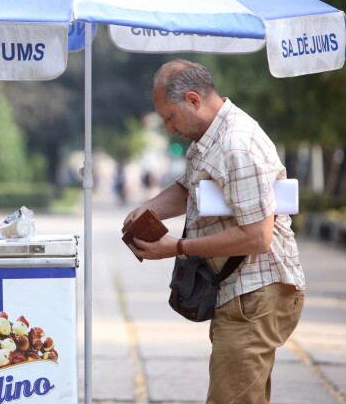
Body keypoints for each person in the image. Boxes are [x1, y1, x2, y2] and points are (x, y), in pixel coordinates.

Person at [123, 60, 304, 404]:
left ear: (193, 100)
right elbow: (191, 186)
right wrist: (150, 209)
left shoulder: (236, 146)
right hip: (245, 293)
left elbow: (257, 236)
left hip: (257, 292)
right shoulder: (212, 137)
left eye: (169, 117)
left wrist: (177, 246)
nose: (169, 129)